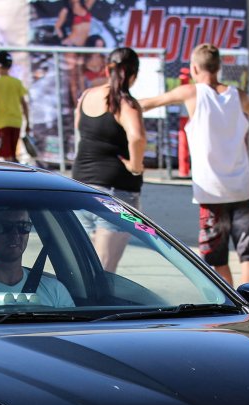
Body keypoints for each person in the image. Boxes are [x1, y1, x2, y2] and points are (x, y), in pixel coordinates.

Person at [139, 44, 249, 285]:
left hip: (211, 191)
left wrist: (116, 101)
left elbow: (151, 103)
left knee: (216, 256)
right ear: (219, 67)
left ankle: (234, 304)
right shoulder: (237, 94)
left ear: (194, 68)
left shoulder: (191, 93)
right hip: (243, 187)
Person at [71, 47, 146, 273]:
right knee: (105, 270)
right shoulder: (125, 103)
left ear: (107, 69)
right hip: (115, 192)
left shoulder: (87, 96)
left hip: (80, 187)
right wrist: (135, 166)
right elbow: (138, 137)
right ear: (133, 75)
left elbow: (78, 127)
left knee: (83, 268)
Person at [0, 50, 30, 162]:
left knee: (6, 156)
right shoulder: (16, 82)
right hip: (16, 122)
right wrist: (27, 122)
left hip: (2, 123)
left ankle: (14, 177)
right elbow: (24, 104)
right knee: (12, 154)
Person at [56, 0, 97, 104]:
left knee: (81, 74)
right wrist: (64, 39)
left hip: (83, 46)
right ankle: (76, 104)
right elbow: (57, 27)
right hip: (72, 46)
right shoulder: (67, 10)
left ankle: (84, 101)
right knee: (73, 77)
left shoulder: (86, 6)